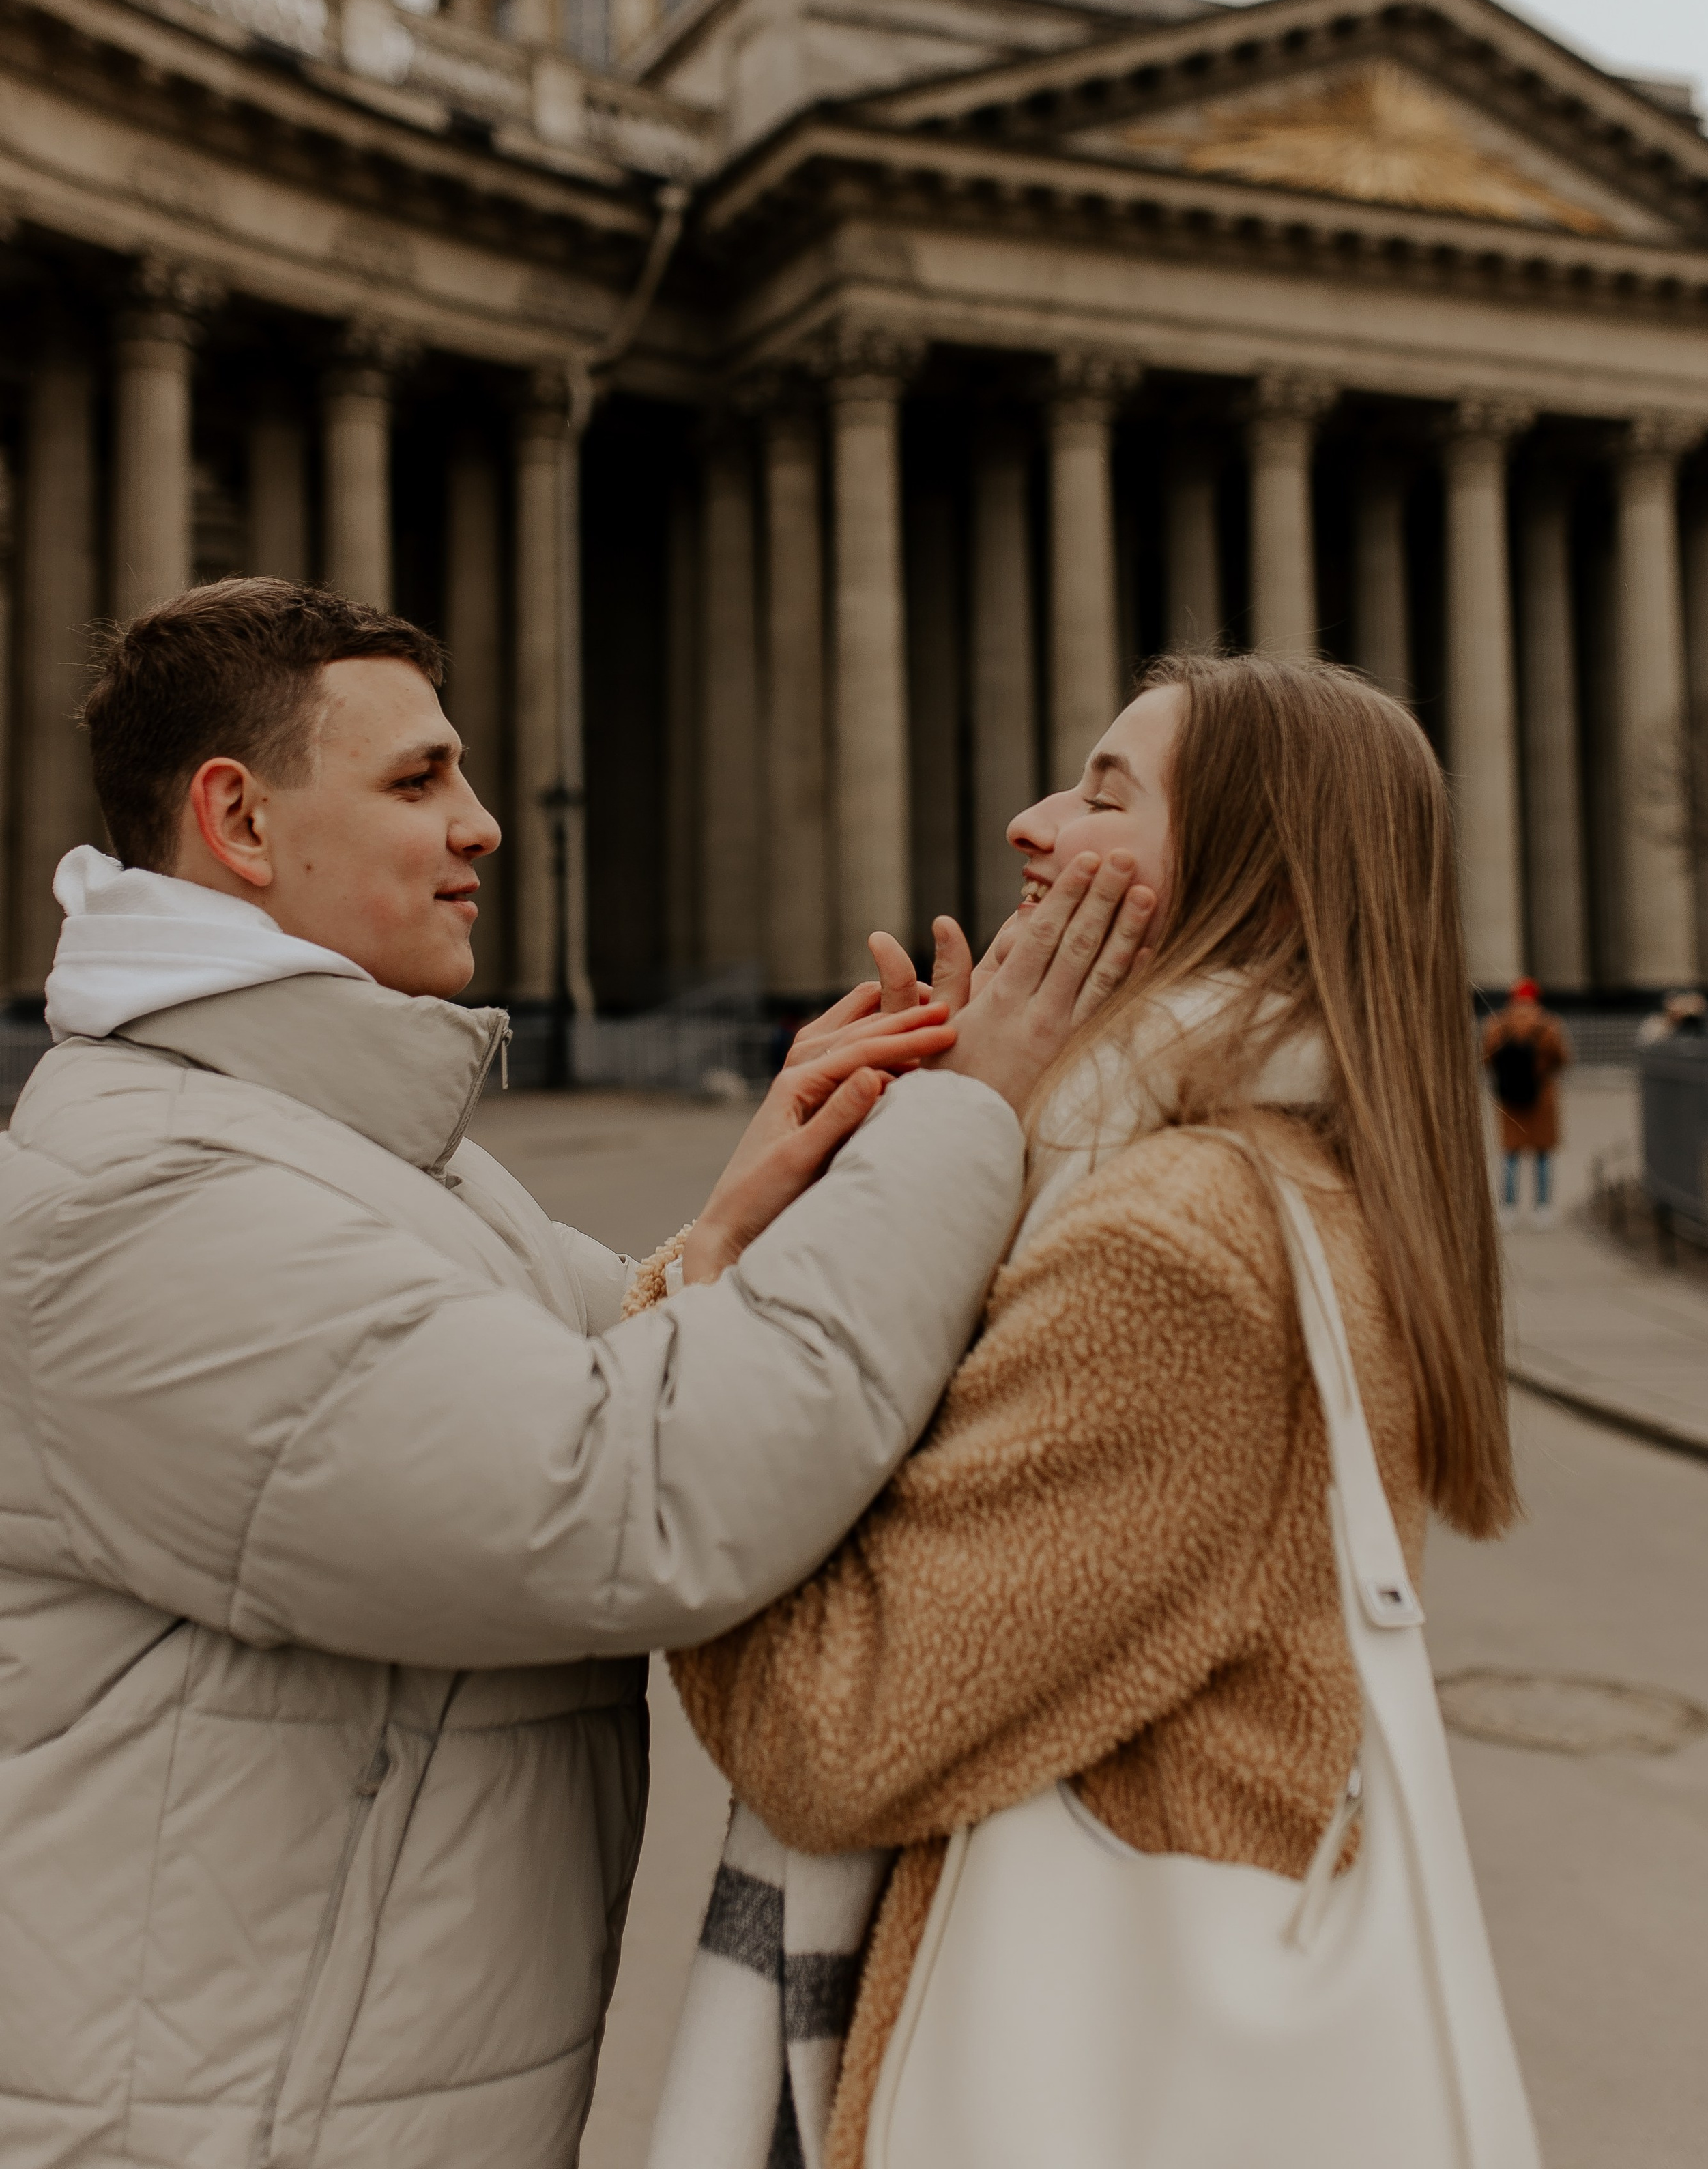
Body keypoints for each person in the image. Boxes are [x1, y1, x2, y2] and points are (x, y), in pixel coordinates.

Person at [0, 575, 1153, 2169]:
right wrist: (971, 1113)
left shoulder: (350, 1154)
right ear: (239, 822)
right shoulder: (146, 1202)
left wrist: (740, 1212)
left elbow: (606, 1360)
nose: (481, 822)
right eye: (419, 777)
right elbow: (632, 1496)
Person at [653, 650, 1517, 2169]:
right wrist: (909, 1184)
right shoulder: (1212, 1187)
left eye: (1106, 798)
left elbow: (828, 1734)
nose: (1031, 824)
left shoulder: (1180, 1246)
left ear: (1248, 885)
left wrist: (714, 1281)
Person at [1483, 975, 1572, 1229]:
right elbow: (1563, 1058)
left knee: (1510, 1153)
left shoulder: (1497, 1024)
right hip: (1542, 1096)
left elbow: (1486, 1058)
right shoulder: (1549, 1024)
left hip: (1509, 1097)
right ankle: (1542, 1209)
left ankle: (1508, 1209)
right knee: (1542, 1153)